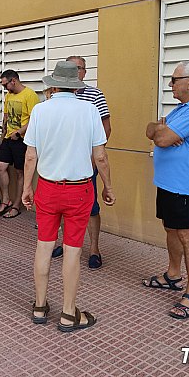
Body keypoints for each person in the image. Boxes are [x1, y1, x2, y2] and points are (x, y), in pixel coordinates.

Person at [21, 61, 115, 332]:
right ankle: (68, 313)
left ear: (54, 85)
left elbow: (31, 155)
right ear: (76, 85)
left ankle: (40, 307)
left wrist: (27, 187)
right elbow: (100, 156)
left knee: (44, 246)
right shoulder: (89, 110)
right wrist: (108, 186)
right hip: (79, 190)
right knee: (72, 250)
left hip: (48, 188)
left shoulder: (40, 110)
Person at [143, 61, 189, 320]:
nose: (170, 84)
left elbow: (161, 138)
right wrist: (159, 129)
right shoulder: (182, 108)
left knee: (187, 235)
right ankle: (173, 275)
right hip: (168, 183)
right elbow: (151, 129)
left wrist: (162, 132)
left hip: (186, 185)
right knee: (170, 228)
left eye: (174, 79)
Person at [51, 56, 112, 269]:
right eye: (71, 68)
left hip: (86, 164)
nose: (75, 72)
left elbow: (106, 128)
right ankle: (64, 243)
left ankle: (94, 249)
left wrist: (94, 157)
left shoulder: (94, 95)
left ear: (85, 72)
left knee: (91, 208)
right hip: (59, 164)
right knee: (62, 206)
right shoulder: (54, 96)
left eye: (79, 68)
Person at [0, 69, 40, 218]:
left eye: (5, 85)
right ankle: (5, 200)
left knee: (20, 172)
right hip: (9, 138)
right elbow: (6, 116)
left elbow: (34, 120)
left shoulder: (30, 95)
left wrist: (19, 132)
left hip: (22, 140)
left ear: (13, 81)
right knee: (0, 167)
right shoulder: (9, 95)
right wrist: (3, 135)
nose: (4, 88)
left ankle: (16, 205)